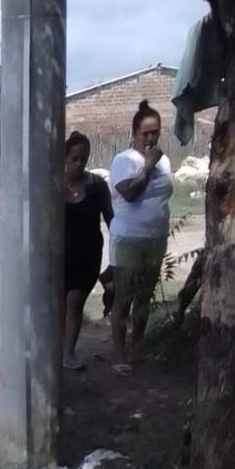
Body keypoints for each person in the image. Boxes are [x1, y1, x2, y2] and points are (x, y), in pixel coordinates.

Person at [108, 100, 173, 374]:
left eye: (155, 132)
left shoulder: (165, 160)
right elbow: (130, 193)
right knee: (124, 298)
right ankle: (119, 355)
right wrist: (147, 166)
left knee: (144, 297)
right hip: (128, 239)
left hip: (156, 238)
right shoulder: (123, 160)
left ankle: (137, 349)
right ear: (134, 133)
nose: (150, 137)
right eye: (145, 133)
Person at [63, 131, 113, 369]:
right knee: (58, 305)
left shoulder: (97, 186)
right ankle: (55, 350)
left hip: (88, 255)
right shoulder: (53, 185)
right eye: (74, 158)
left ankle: (69, 353)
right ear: (64, 157)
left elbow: (112, 220)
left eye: (84, 158)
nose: (79, 163)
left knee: (74, 302)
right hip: (59, 257)